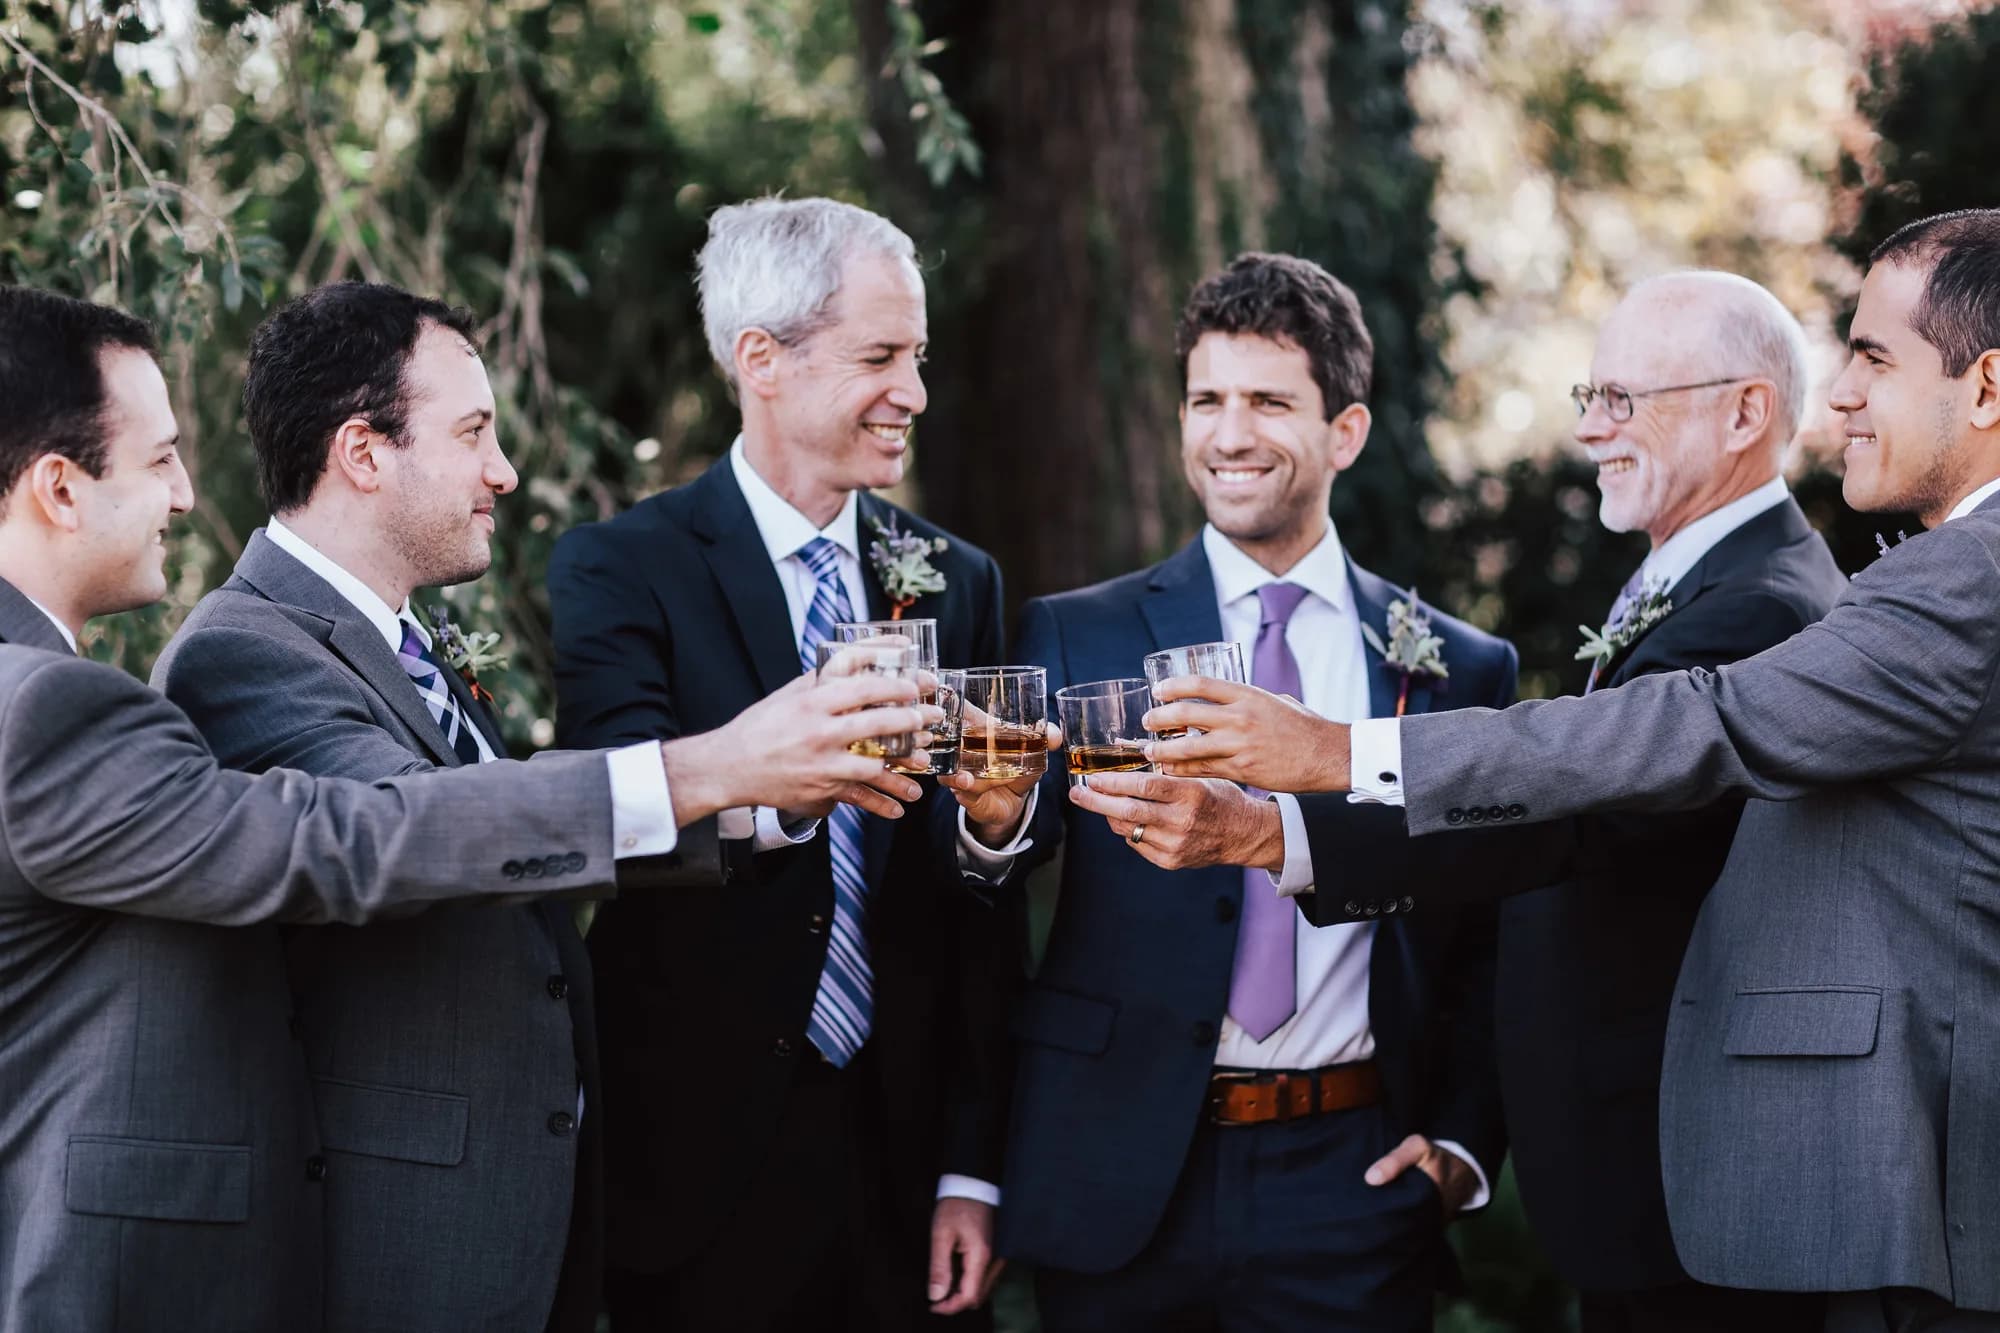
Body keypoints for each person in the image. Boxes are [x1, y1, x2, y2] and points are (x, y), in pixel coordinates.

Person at [0, 288, 919, 1332]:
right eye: (474, 432)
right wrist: (710, 764)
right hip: (393, 1237)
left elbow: (491, 832)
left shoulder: (393, 638)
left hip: (515, 1211)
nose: (504, 470)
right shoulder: (225, 655)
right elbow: (382, 833)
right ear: (362, 452)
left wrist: (761, 796)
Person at [1150, 210, 2000, 1332]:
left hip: (1893, 1174)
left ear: (1984, 388)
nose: (1838, 396)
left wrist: (1324, 765)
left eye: (1873, 360)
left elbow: (1693, 731)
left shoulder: (1941, 582)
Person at [1278, 271, 1843, 1333]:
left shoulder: (1760, 608)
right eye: (1590, 394)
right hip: (1636, 1172)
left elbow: (1570, 821)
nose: (1589, 428)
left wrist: (1284, 827)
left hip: (1691, 1178)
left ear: (1744, 412)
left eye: (1623, 399)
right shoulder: (1706, 582)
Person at [975, 253, 1512, 1330]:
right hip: (1118, 1173)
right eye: (1205, 399)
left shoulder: (1454, 667)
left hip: (1352, 1180)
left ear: (1343, 432)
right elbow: (997, 878)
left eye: (1267, 401)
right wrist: (990, 823)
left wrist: (1458, 1142)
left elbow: (1491, 934)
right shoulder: (1078, 630)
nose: (1228, 435)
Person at [547, 197, 1033, 1331]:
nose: (911, 392)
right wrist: (786, 796)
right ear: (760, 360)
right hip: (700, 1166)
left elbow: (983, 914)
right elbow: (609, 826)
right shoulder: (622, 568)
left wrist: (972, 1165)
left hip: (911, 1160)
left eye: (915, 357)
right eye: (878, 357)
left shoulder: (954, 579)